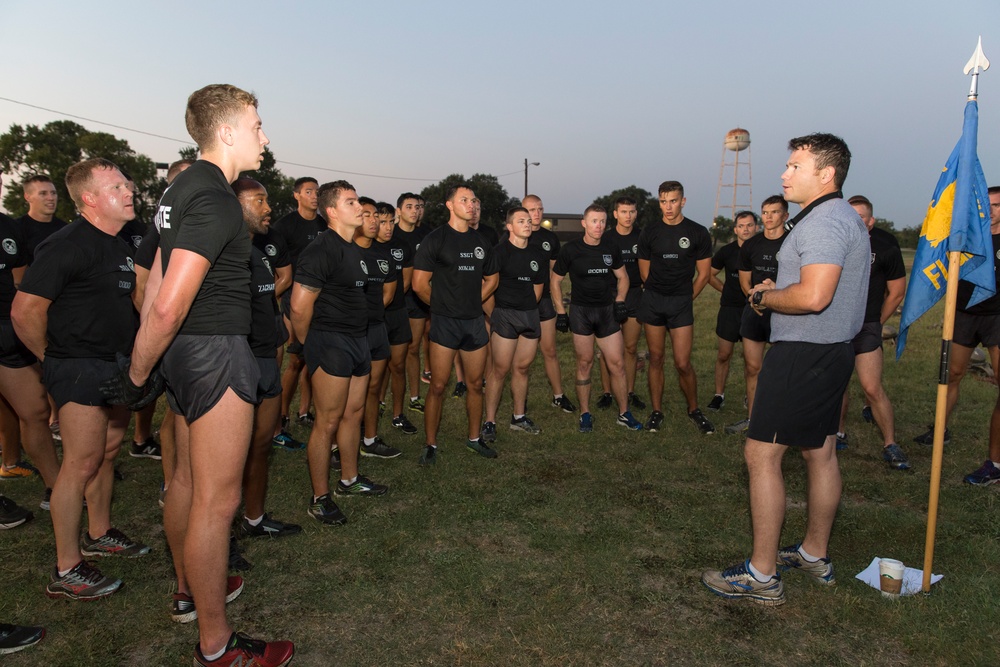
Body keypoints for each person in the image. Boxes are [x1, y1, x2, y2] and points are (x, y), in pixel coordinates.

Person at [103, 84, 293, 665]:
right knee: (217, 501)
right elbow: (165, 303)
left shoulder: (179, 188)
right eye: (257, 125)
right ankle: (217, 645)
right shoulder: (211, 196)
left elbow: (157, 276)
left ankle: (190, 585)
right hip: (213, 351)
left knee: (184, 481)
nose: (265, 136)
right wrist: (136, 376)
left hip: (186, 355)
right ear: (229, 130)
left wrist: (153, 359)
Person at [701, 133, 869, 606]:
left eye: (796, 166)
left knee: (761, 455)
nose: (784, 174)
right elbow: (816, 284)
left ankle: (762, 575)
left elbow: (815, 297)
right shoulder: (838, 217)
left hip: (803, 353)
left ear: (826, 174)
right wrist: (786, 284)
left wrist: (764, 296)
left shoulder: (823, 223)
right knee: (820, 452)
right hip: (833, 350)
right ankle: (815, 553)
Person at [13, 158, 150, 601]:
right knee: (80, 463)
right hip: (77, 366)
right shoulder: (66, 244)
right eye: (116, 187)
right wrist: (53, 361)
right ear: (89, 198)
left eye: (127, 184)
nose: (129, 191)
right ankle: (67, 568)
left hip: (114, 363)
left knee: (107, 453)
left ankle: (100, 530)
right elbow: (25, 311)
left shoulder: (122, 242)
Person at [291, 180, 387, 528]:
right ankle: (319, 498)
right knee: (327, 421)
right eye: (350, 202)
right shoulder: (321, 249)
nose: (359, 207)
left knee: (354, 413)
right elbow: (300, 309)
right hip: (330, 343)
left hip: (358, 341)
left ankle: (349, 479)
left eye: (358, 200)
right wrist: (311, 345)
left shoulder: (355, 250)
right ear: (331, 211)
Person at [229, 178, 301, 550]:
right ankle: (220, 537)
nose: (268, 207)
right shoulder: (220, 254)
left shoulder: (257, 252)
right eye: (259, 200)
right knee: (227, 455)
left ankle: (254, 519)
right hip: (233, 363)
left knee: (260, 446)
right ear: (234, 204)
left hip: (265, 358)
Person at [914, 186, 1000, 485]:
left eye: (997, 205)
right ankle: (940, 430)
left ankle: (995, 464)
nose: (991, 210)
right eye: (986, 205)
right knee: (952, 375)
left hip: (996, 318)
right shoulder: (966, 238)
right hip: (964, 314)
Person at [412, 184, 499, 463]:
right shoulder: (435, 239)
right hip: (445, 323)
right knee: (438, 385)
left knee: (475, 384)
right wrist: (442, 307)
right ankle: (430, 444)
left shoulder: (482, 240)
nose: (471, 204)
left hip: (473, 323)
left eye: (473, 200)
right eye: (464, 200)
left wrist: (474, 302)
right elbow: (418, 284)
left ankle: (474, 439)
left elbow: (492, 279)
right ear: (449, 205)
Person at [551, 205, 643, 433]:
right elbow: (555, 280)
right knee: (585, 363)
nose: (599, 226)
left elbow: (623, 277)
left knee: (618, 363)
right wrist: (561, 312)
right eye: (594, 221)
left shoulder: (611, 247)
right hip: (581, 313)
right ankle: (585, 414)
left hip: (606, 312)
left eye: (602, 222)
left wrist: (620, 300)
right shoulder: (571, 249)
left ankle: (624, 413)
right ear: (584, 223)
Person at [837, 195, 908, 470]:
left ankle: (890, 443)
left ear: (871, 221)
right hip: (838, 324)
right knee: (837, 385)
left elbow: (896, 291)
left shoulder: (885, 245)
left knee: (871, 387)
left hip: (866, 326)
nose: (855, 222)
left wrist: (877, 321)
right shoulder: (836, 241)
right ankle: (838, 433)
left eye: (861, 218)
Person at [637, 181, 714, 434]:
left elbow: (703, 274)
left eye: (672, 201)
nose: (667, 207)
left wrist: (686, 297)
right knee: (656, 358)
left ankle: (694, 409)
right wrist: (661, 292)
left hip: (681, 304)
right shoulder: (650, 231)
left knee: (682, 363)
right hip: (654, 302)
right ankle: (656, 411)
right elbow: (645, 273)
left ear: (683, 201)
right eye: (663, 201)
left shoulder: (698, 232)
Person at [0, 175, 60, 495]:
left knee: (35, 411)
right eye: (43, 193)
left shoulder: (8, 227)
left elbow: (20, 282)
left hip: (7, 330)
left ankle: (57, 488)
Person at [481, 206, 545, 442]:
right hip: (504, 316)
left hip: (529, 316)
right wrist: (494, 314)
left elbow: (538, 288)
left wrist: (526, 307)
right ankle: (489, 421)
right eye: (521, 221)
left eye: (529, 220)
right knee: (499, 370)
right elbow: (485, 287)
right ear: (509, 227)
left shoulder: (538, 254)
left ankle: (519, 417)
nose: (527, 224)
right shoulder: (499, 252)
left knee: (523, 368)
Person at [725, 202, 788, 435]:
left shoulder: (792, 243)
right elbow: (744, 282)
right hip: (755, 310)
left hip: (785, 312)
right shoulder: (751, 245)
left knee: (782, 369)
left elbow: (802, 280)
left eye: (774, 212)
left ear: (785, 215)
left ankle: (780, 421)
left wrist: (776, 293)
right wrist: (755, 298)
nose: (769, 217)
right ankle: (753, 419)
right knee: (753, 367)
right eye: (765, 212)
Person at [273, 177, 322, 429]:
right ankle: (282, 414)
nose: (314, 195)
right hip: (295, 299)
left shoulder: (326, 225)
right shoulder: (285, 226)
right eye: (309, 191)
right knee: (294, 361)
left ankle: (305, 411)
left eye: (317, 191)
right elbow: (274, 263)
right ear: (297, 195)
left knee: (314, 358)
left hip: (322, 300)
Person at [355, 197, 401, 459]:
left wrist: (371, 317)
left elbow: (388, 294)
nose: (373, 221)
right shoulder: (345, 250)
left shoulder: (383, 255)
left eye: (376, 216)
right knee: (346, 393)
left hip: (376, 328)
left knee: (373, 387)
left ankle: (369, 440)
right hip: (349, 332)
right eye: (367, 215)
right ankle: (338, 445)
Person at [522, 195, 576, 414]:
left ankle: (558, 396)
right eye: (532, 209)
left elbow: (556, 277)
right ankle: (520, 400)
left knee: (550, 351)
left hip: (544, 301)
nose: (537, 213)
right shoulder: (511, 236)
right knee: (522, 358)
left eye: (540, 209)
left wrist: (560, 308)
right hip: (520, 304)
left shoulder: (550, 239)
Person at [596, 196, 646, 412]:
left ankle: (629, 391)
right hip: (609, 296)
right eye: (624, 212)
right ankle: (607, 392)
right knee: (607, 350)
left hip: (635, 295)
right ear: (615, 214)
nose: (628, 216)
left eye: (632, 211)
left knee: (630, 347)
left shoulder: (642, 237)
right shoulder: (605, 238)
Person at [706, 211, 758, 415]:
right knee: (724, 354)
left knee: (751, 359)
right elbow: (710, 275)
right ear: (735, 229)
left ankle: (750, 395)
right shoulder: (726, 251)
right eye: (741, 226)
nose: (745, 229)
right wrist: (725, 289)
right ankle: (719, 395)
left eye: (750, 225)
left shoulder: (761, 249)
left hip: (753, 309)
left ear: (756, 227)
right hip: (729, 308)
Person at [375, 202, 418, 438]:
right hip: (374, 316)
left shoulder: (402, 246)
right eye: (383, 222)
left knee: (398, 366)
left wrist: (391, 301)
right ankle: (375, 407)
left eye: (391, 221)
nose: (388, 227)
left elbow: (407, 281)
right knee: (375, 370)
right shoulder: (367, 246)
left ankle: (398, 414)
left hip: (398, 312)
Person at [394, 193, 430, 414]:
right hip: (392, 299)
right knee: (389, 354)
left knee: (413, 348)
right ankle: (380, 399)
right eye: (409, 206)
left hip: (416, 298)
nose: (414, 211)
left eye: (417, 207)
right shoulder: (389, 232)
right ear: (398, 211)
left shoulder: (426, 235)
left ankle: (415, 397)